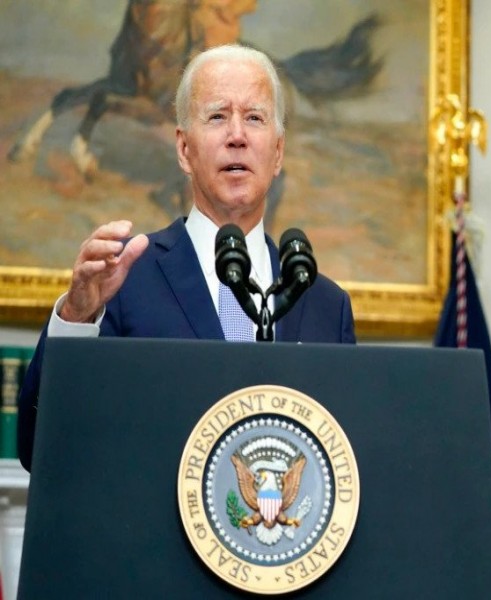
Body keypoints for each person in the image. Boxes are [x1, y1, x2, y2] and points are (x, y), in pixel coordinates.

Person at [16, 44, 356, 472]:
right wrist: (77, 318)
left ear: (278, 153)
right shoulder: (123, 281)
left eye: (254, 118)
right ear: (183, 150)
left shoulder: (325, 305)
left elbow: (345, 465)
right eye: (217, 116)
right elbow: (41, 449)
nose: (237, 135)